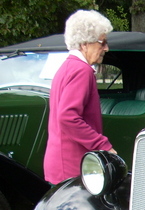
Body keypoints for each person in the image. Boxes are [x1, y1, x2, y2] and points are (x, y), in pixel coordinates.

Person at [43, 10, 117, 184]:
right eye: (102, 42)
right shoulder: (81, 71)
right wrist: (102, 145)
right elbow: (67, 117)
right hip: (72, 166)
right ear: (84, 44)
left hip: (60, 164)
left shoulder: (66, 67)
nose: (106, 48)